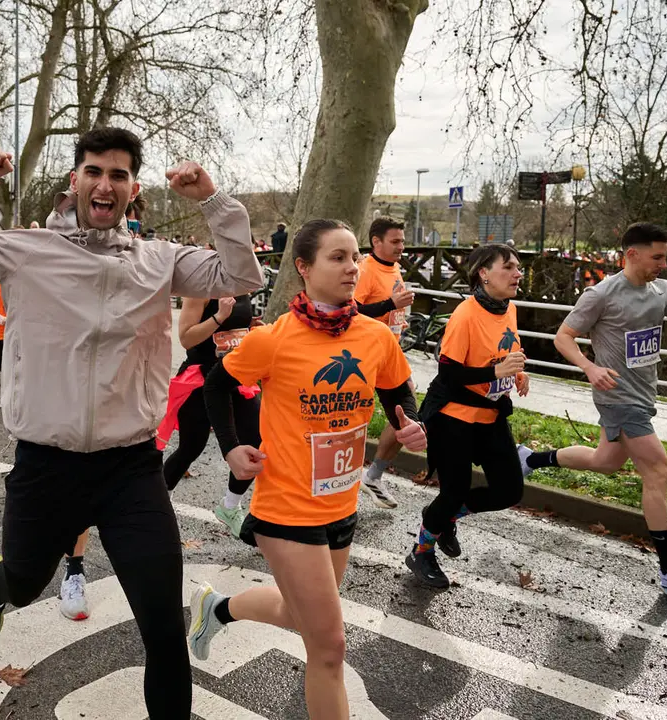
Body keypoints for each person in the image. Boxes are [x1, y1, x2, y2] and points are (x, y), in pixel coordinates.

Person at [0, 128, 263, 717]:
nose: (105, 183)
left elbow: (241, 278)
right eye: (94, 170)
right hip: (48, 465)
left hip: (131, 469)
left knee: (165, 630)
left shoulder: (159, 260)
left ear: (132, 191)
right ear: (76, 180)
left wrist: (213, 200)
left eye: (119, 175)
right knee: (24, 584)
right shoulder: (25, 249)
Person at [186, 219, 424, 719]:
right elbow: (215, 384)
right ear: (303, 267)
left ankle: (218, 609)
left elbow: (397, 389)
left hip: (341, 504)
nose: (352, 267)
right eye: (337, 258)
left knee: (299, 616)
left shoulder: (375, 337)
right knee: (330, 647)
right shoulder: (274, 339)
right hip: (286, 508)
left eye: (354, 257)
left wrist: (410, 423)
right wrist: (231, 448)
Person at [520, 222, 667, 597]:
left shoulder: (664, 291)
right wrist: (590, 368)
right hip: (617, 396)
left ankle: (531, 460)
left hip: (644, 394)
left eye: (665, 256)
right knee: (658, 472)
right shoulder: (602, 294)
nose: (664, 263)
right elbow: (563, 337)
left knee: (606, 461)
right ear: (631, 254)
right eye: (657, 256)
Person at [403, 244, 530, 588]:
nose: (518, 273)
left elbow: (508, 350)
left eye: (518, 267)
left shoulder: (509, 308)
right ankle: (422, 549)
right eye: (509, 267)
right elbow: (448, 374)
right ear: (483, 273)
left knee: (509, 490)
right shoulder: (464, 315)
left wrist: (516, 372)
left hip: (490, 414)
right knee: (454, 489)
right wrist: (495, 371)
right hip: (452, 415)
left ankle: (443, 517)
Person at [155, 292, 259, 536]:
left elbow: (236, 330)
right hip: (201, 379)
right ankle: (158, 504)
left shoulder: (244, 284)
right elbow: (187, 338)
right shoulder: (201, 288)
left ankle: (230, 506)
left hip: (236, 375)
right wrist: (219, 316)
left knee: (256, 440)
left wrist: (252, 331)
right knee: (191, 447)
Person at [352, 217, 416, 509]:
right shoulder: (365, 270)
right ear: (376, 242)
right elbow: (351, 311)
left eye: (402, 241)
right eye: (395, 241)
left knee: (406, 417)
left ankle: (373, 475)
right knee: (353, 416)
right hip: (364, 354)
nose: (401, 246)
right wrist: (391, 305)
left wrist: (399, 316)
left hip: (391, 352)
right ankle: (343, 478)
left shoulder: (393, 267)